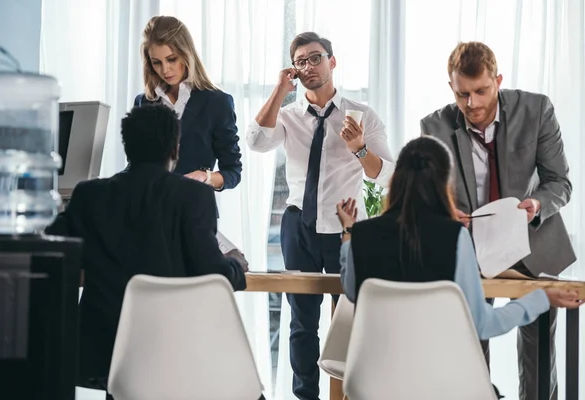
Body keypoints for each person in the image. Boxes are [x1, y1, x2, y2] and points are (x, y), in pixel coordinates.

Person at [336, 136, 585, 399]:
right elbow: (482, 324)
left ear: (396, 179)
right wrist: (540, 298)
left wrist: (349, 233)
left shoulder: (363, 235)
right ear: (445, 184)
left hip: (374, 384)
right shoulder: (454, 237)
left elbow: (353, 291)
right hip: (443, 386)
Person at [45, 105, 248, 400]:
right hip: (176, 351)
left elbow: (54, 244)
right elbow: (211, 274)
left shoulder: (89, 195)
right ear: (175, 147)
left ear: (126, 146)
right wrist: (236, 266)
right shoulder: (194, 195)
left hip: (107, 353)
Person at [419, 41, 576, 400]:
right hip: (470, 247)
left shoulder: (536, 110)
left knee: (539, 350)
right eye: (462, 94)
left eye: (481, 91)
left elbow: (560, 183)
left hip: (532, 242)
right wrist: (446, 214)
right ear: (451, 88)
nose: (472, 103)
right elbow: (428, 195)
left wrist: (537, 203)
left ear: (498, 80)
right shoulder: (434, 126)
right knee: (470, 341)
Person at [246, 32, 394, 400]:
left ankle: (352, 394)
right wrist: (281, 90)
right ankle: (305, 396)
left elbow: (388, 174)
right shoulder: (289, 116)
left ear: (332, 61)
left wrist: (359, 149)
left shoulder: (362, 115)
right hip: (299, 227)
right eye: (301, 62)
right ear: (294, 70)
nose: (309, 66)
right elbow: (255, 141)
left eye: (316, 58)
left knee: (352, 319)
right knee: (301, 322)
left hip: (346, 228)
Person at [135, 16, 242, 190]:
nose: (165, 70)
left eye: (171, 59)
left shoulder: (217, 102)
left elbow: (233, 172)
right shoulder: (144, 102)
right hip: (148, 210)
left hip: (193, 210)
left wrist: (204, 176)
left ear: (186, 54)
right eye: (156, 63)